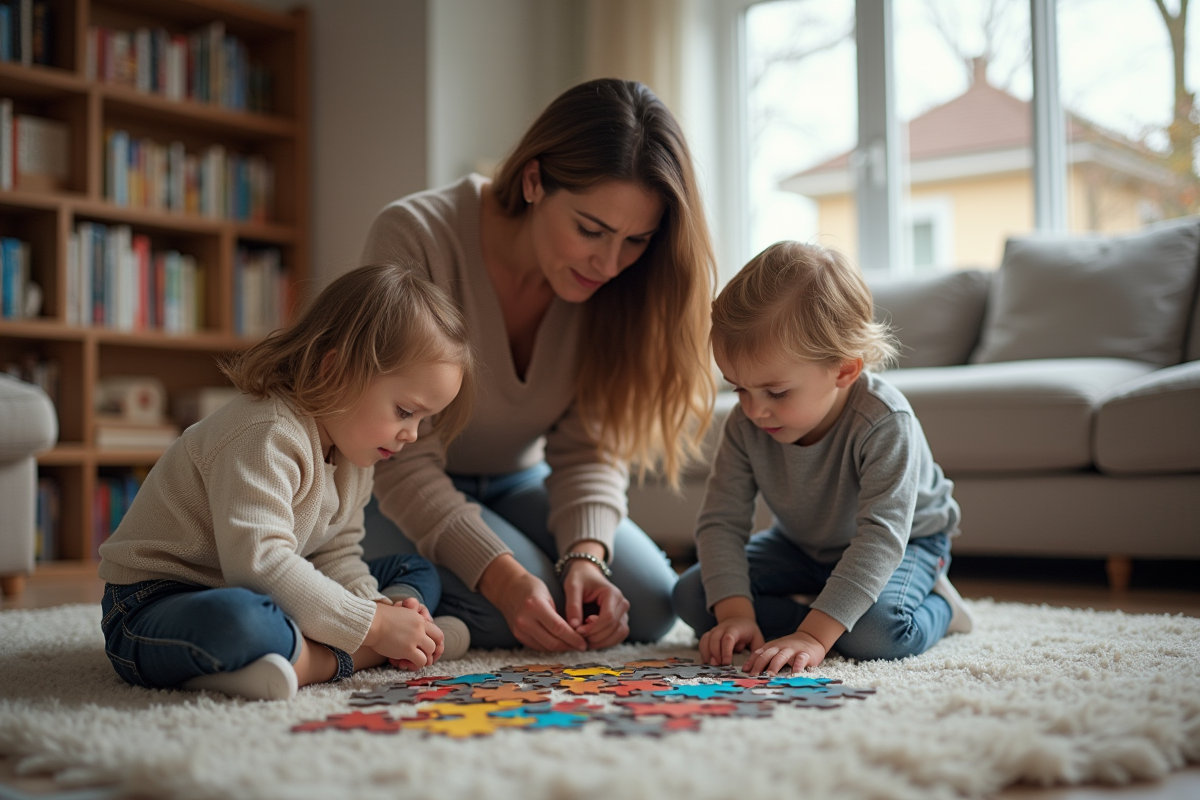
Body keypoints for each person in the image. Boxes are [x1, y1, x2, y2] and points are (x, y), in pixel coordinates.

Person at [359, 78, 717, 653]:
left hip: (516, 479)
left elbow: (588, 448)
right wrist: (503, 578)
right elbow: (400, 458)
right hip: (388, 480)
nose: (608, 262)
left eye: (636, 240)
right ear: (533, 179)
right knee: (515, 612)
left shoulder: (616, 285)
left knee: (646, 607)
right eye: (590, 230)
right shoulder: (415, 237)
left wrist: (587, 557)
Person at [97, 265, 475, 701]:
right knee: (244, 623)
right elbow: (258, 564)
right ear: (336, 372)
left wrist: (375, 606)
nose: (411, 434)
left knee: (414, 570)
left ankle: (315, 651)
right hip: (153, 604)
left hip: (261, 590)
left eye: (424, 420)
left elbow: (338, 554)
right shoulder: (265, 431)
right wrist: (374, 627)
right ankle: (337, 658)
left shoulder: (360, 452)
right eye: (406, 412)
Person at [672, 241, 975, 675]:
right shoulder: (746, 425)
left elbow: (881, 538)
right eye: (738, 388)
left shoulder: (884, 422)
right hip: (801, 545)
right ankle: (829, 611)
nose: (754, 410)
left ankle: (937, 608)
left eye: (776, 392)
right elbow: (721, 521)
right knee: (691, 596)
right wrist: (736, 615)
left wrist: (814, 638)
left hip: (906, 544)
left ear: (844, 370)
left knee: (876, 633)